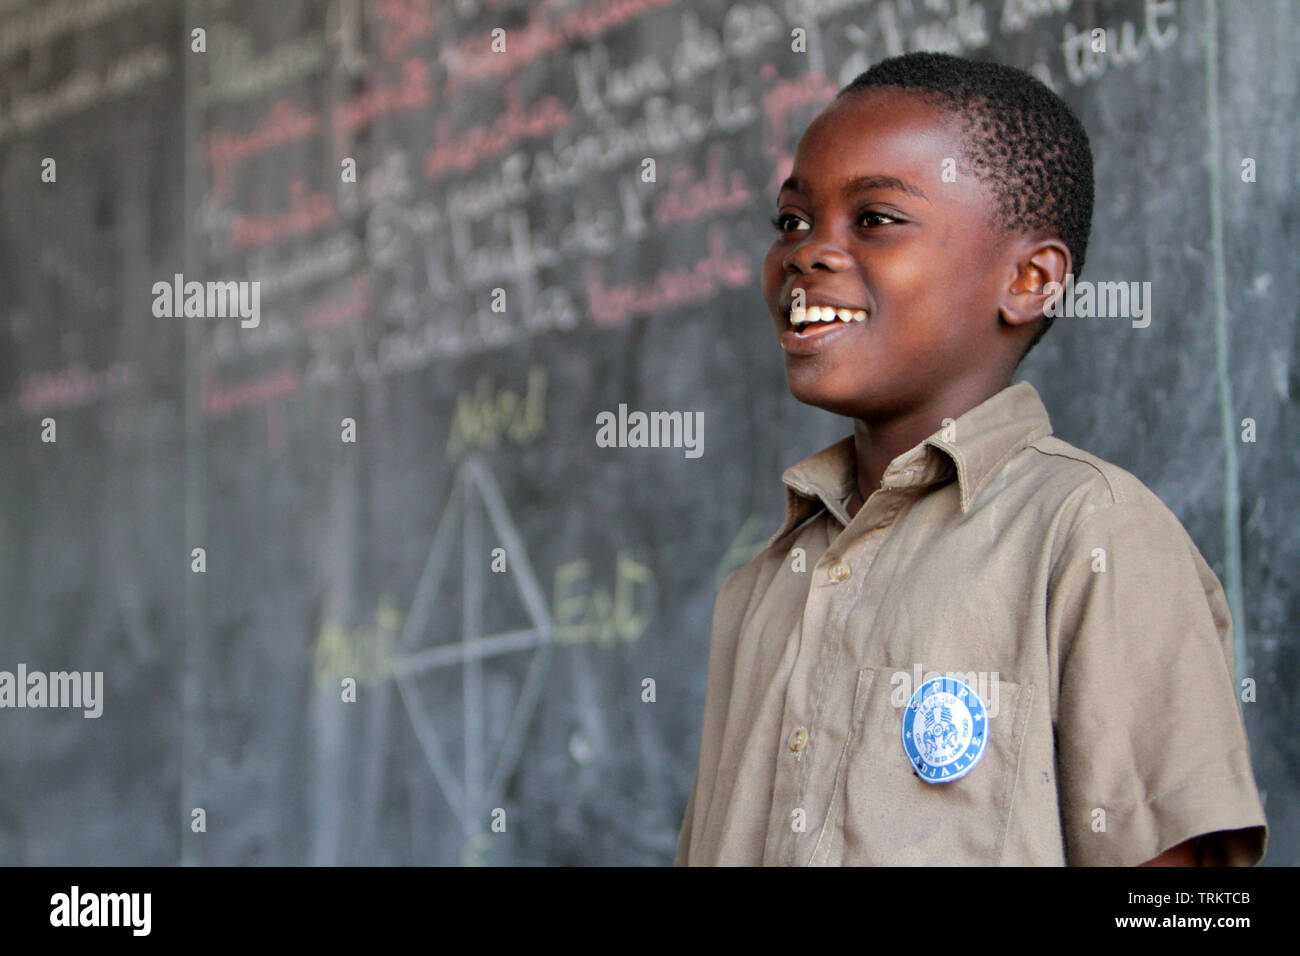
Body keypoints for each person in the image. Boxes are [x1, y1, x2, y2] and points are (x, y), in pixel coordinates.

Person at [674, 52, 1268, 866]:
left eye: (876, 218)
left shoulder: (1092, 538)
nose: (808, 254)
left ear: (1028, 279)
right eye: (792, 221)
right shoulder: (769, 579)